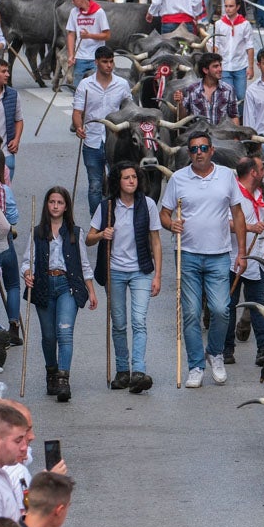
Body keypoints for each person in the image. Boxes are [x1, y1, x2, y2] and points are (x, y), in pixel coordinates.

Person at [159, 134, 247, 389]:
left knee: (221, 309)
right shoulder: (178, 179)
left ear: (212, 150)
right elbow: (164, 213)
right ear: (189, 153)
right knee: (191, 313)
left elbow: (238, 214)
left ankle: (215, 353)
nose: (199, 152)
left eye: (203, 148)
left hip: (219, 254)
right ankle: (196, 365)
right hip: (186, 253)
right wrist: (170, 224)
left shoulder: (227, 176)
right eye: (194, 149)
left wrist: (241, 252)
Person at [89, 165, 162, 394]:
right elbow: (89, 238)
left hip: (141, 270)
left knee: (139, 320)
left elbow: (156, 241)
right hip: (115, 271)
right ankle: (122, 371)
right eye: (126, 178)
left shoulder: (148, 205)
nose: (131, 181)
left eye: (134, 177)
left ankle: (138, 371)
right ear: (117, 182)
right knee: (119, 323)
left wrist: (158, 275)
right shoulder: (107, 206)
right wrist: (102, 234)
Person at [26, 186, 98, 402]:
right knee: (49, 336)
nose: (55, 206)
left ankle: (63, 379)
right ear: (47, 206)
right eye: (52, 202)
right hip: (44, 284)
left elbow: (84, 264)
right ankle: (51, 371)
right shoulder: (37, 232)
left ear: (66, 207)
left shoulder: (75, 233)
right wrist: (28, 274)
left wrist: (91, 291)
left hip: (68, 285)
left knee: (64, 332)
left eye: (59, 202)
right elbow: (26, 261)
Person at [72, 46, 134, 216]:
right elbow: (77, 113)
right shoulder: (85, 85)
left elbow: (130, 109)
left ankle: (116, 217)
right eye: (105, 62)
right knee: (95, 186)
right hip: (92, 141)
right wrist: (79, 127)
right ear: (96, 62)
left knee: (117, 183)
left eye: (111, 61)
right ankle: (97, 221)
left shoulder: (122, 85)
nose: (109, 65)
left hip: (116, 142)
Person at [225, 157, 264, 370]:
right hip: (232, 257)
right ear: (253, 172)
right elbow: (224, 222)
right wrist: (249, 228)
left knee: (257, 304)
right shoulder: (231, 194)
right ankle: (226, 350)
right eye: (262, 169)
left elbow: (263, 222)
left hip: (257, 258)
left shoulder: (259, 194)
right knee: (229, 305)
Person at [211, 0, 255, 105]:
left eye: (231, 6)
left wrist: (251, 67)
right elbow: (215, 45)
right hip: (224, 66)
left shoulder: (245, 24)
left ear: (237, 7)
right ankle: (229, 120)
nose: (228, 9)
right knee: (227, 96)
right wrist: (214, 65)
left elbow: (249, 46)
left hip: (240, 66)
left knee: (241, 96)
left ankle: (240, 119)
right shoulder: (219, 24)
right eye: (226, 6)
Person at [65, 0, 110, 87]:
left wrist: (89, 35)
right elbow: (71, 34)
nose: (72, 2)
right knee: (77, 90)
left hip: (97, 58)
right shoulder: (74, 12)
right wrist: (71, 55)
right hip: (80, 57)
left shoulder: (99, 12)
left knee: (96, 89)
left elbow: (107, 35)